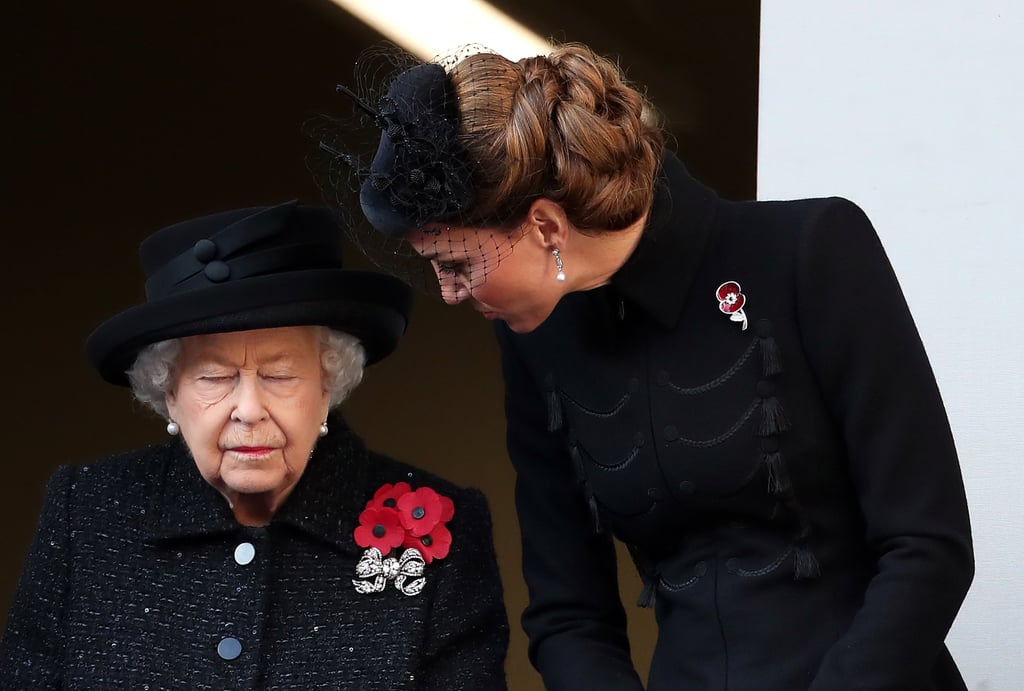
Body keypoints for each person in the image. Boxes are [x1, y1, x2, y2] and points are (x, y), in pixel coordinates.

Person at [312, 43, 975, 690]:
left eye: (459, 264)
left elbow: (928, 546)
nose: (450, 294)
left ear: (545, 226)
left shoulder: (810, 252)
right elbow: (568, 613)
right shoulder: (537, 341)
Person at [0, 200, 509, 689]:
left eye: (280, 374)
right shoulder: (87, 511)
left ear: (328, 384)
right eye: (215, 376)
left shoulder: (444, 528)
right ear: (169, 392)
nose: (249, 408)